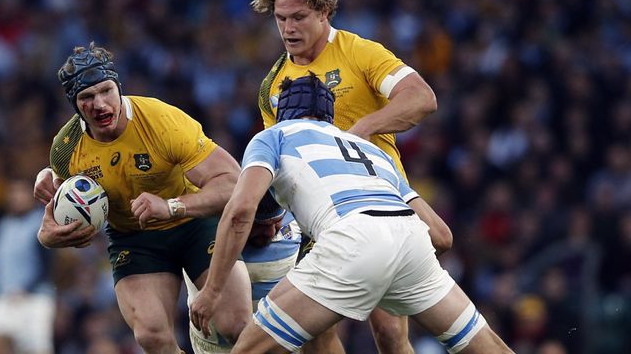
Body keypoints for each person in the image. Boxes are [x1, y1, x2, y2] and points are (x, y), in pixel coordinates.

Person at [190, 75, 512, 354]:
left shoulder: (274, 136)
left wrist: (212, 291)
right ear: (329, 117)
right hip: (410, 238)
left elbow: (241, 211)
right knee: (483, 344)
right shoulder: (372, 152)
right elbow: (442, 236)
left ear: (282, 113)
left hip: (351, 237)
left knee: (248, 348)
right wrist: (388, 274)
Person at [252, 0, 452, 353]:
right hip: (318, 211)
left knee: (391, 335)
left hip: (377, 197)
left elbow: (422, 99)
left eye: (299, 17)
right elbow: (278, 153)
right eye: (280, 19)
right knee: (313, 330)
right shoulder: (272, 84)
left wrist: (361, 129)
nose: (288, 29)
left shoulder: (359, 52)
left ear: (324, 12)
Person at [32, 42, 252, 354]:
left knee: (237, 326)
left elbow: (233, 182)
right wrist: (49, 236)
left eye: (106, 91)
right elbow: (52, 216)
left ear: (118, 88)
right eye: (86, 97)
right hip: (134, 239)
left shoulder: (162, 121)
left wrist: (171, 207)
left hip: (195, 224)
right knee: (151, 335)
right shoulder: (66, 148)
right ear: (75, 104)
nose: (99, 103)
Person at [184, 193, 343, 353]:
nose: (270, 232)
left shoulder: (299, 206)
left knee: (320, 320)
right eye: (259, 224)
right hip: (220, 346)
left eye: (276, 222)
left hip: (284, 342)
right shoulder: (202, 226)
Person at [0, 178, 54, 354]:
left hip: (34, 297)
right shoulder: (3, 226)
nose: (16, 197)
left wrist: (27, 288)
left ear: (31, 196)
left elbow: (49, 263)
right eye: (12, 193)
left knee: (35, 349)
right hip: (4, 295)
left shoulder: (42, 222)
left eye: (21, 192)